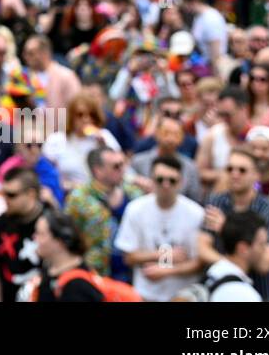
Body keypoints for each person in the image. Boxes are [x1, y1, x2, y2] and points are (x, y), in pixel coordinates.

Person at [113, 155, 205, 301]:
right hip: (146, 294)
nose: (166, 185)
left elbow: (200, 262)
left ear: (181, 182)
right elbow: (128, 257)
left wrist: (167, 271)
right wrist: (166, 255)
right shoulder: (136, 209)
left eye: (172, 180)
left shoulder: (196, 213)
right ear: (152, 180)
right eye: (160, 179)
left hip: (183, 295)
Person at [198, 149, 269, 300]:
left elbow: (265, 264)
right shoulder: (215, 202)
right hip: (221, 288)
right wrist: (233, 267)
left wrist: (227, 228)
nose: (234, 174)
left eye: (242, 170)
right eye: (229, 169)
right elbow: (203, 249)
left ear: (256, 175)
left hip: (259, 290)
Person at [64, 147, 143, 279]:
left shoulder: (133, 192)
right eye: (116, 166)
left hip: (134, 271)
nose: (122, 170)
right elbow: (67, 234)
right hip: (97, 273)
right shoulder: (78, 198)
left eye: (123, 164)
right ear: (98, 171)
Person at [0, 167, 50, 302]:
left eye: (11, 195)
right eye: (3, 193)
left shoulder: (51, 222)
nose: (5, 199)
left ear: (30, 194)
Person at [31, 212, 104, 301]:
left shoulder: (77, 287)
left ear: (59, 241)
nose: (34, 238)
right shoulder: (50, 267)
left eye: (40, 234)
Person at [131, 117, 203, 203]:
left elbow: (195, 200)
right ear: (156, 133)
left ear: (182, 138)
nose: (170, 139)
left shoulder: (190, 167)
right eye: (166, 133)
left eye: (176, 134)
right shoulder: (138, 162)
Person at [204, 211, 266, 301]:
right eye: (261, 244)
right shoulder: (245, 296)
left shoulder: (212, 273)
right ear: (243, 249)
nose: (265, 249)